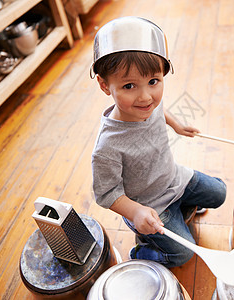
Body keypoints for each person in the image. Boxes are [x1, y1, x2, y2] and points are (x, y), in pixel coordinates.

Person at [91, 16, 226, 268]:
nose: (145, 97)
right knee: (183, 255)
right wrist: (135, 212)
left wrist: (176, 124)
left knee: (220, 192)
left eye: (153, 81)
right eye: (129, 85)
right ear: (104, 85)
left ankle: (182, 209)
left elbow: (159, 108)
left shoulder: (149, 102)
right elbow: (106, 193)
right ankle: (143, 252)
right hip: (149, 205)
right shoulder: (107, 146)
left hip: (174, 179)